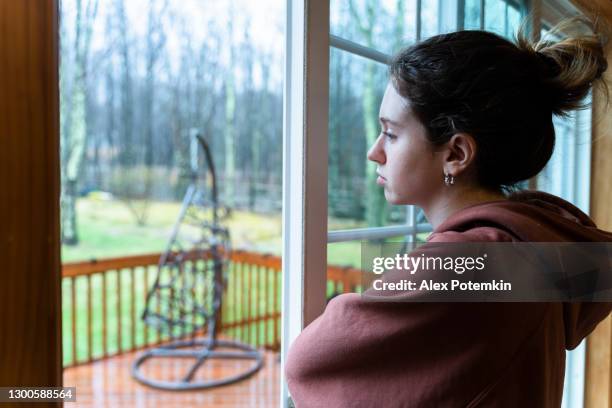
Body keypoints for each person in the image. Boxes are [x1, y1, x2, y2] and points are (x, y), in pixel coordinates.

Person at [285, 17, 612, 407]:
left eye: (390, 132)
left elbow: (309, 363)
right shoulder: (530, 245)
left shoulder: (477, 261)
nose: (375, 151)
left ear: (456, 154)